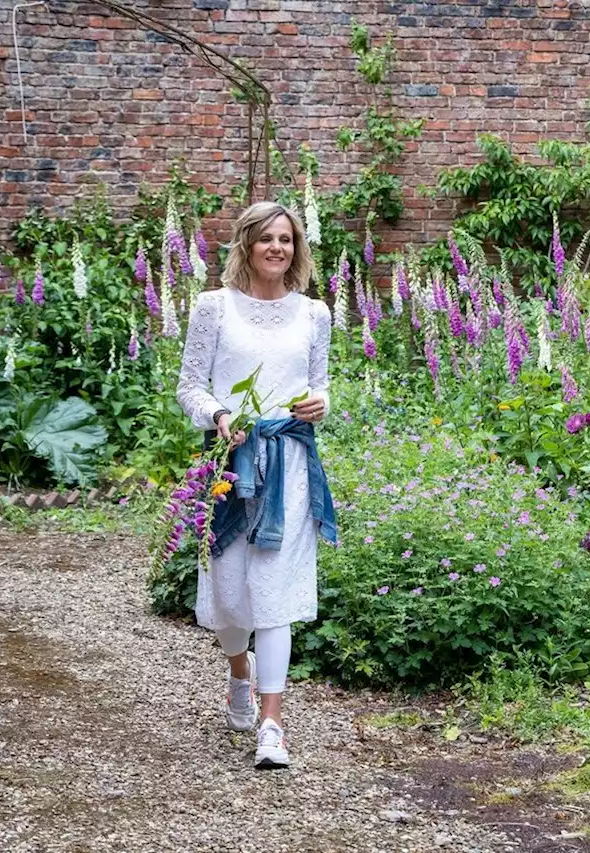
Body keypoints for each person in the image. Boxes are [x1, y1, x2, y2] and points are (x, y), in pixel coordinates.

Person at [176, 201, 336, 769]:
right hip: (232, 467)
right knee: (230, 595)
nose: (277, 248)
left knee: (274, 594)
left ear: (297, 248)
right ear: (246, 244)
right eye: (266, 238)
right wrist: (220, 414)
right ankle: (237, 672)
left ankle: (273, 723)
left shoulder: (314, 314)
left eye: (286, 240)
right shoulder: (213, 308)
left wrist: (320, 405)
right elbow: (189, 387)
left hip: (289, 465)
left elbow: (320, 387)